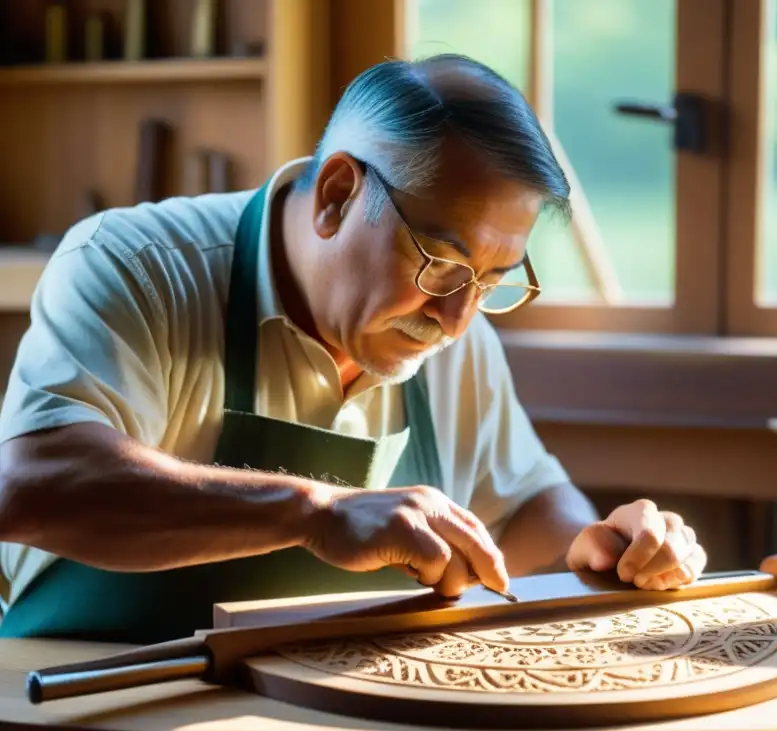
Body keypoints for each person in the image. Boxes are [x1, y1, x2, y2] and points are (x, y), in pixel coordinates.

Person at [0, 54, 706, 644]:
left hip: (311, 722)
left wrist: (608, 549)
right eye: (439, 261)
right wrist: (313, 512)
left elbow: (522, 510)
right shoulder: (138, 267)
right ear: (337, 195)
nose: (457, 319)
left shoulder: (455, 333)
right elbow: (32, 484)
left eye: (490, 282)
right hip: (80, 712)